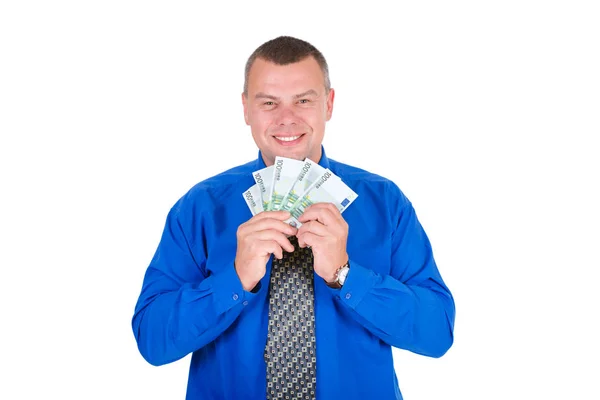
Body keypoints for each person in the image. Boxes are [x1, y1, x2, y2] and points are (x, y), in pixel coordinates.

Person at [132, 35, 455, 400]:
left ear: (329, 104)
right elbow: (152, 341)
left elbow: (437, 333)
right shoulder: (201, 207)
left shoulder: (385, 202)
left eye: (303, 100)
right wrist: (234, 279)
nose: (287, 119)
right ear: (245, 109)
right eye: (269, 102)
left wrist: (346, 275)